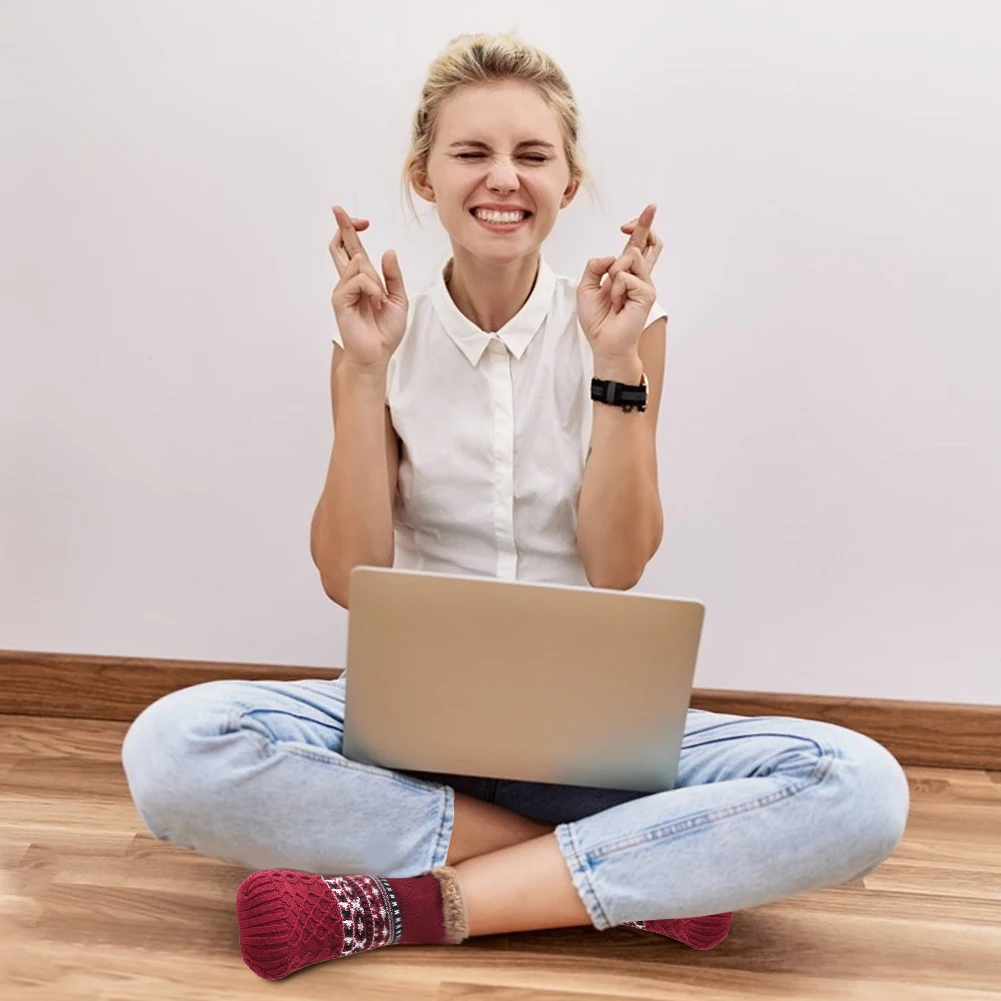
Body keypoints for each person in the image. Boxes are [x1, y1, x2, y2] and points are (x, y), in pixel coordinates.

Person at [121, 32, 911, 981]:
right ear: (424, 176)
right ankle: (631, 872)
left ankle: (404, 902)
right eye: (472, 152)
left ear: (568, 183)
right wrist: (367, 372)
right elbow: (347, 577)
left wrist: (614, 365)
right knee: (173, 747)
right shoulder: (373, 335)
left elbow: (617, 564)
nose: (504, 178)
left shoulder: (626, 333)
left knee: (859, 787)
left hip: (589, 741)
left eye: (532, 155)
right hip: (401, 733)